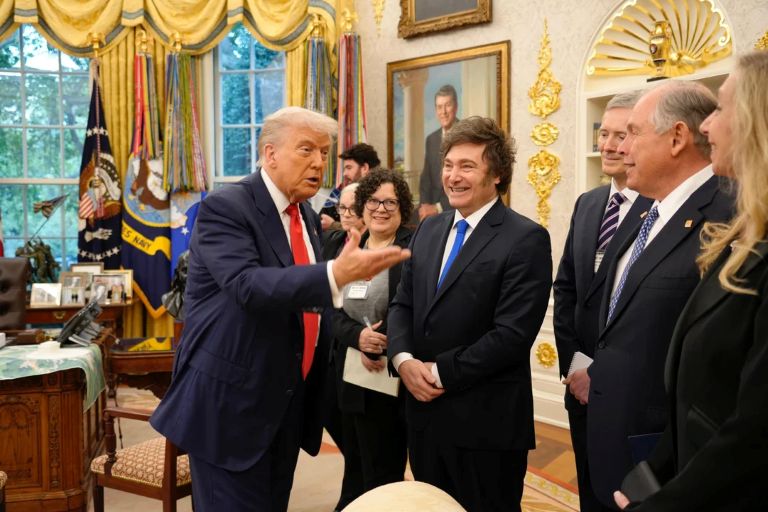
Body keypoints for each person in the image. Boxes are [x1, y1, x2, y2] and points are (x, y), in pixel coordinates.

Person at [149, 106, 410, 512]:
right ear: (269, 154)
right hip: (231, 409)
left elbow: (306, 304)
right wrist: (334, 274)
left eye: (324, 153)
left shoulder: (305, 214)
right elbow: (248, 285)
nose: (319, 162)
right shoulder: (226, 207)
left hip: (284, 407)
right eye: (306, 150)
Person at [614, 51, 768, 512]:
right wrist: (658, 472)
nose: (708, 125)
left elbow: (755, 430)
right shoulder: (745, 232)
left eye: (720, 108)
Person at [388, 116, 552, 511]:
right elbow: (402, 304)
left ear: (496, 174)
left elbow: (512, 335)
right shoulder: (428, 229)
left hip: (485, 425)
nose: (453, 177)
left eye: (467, 166)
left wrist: (438, 373)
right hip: (424, 417)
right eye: (448, 165)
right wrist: (403, 360)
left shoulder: (526, 238)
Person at [585, 81, 734, 509]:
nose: (619, 147)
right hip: (611, 437)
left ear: (676, 138)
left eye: (632, 132)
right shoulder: (645, 209)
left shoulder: (730, 217)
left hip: (668, 459)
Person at [553, 91, 653, 512]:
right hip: (579, 387)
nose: (609, 145)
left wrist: (600, 374)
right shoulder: (589, 202)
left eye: (622, 135)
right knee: (589, 494)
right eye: (603, 134)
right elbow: (566, 290)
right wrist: (577, 367)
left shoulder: (658, 208)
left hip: (628, 395)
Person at [333, 168, 413, 503]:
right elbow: (329, 309)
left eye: (390, 202)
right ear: (363, 206)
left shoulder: (412, 248)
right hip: (348, 373)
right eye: (374, 201)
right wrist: (358, 338)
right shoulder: (348, 247)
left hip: (389, 377)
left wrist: (380, 343)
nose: (381, 209)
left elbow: (414, 306)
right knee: (354, 461)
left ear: (402, 208)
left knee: (383, 469)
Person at [321, 182, 366, 511]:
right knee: (336, 424)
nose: (346, 215)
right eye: (343, 209)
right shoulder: (333, 240)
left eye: (353, 209)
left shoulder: (384, 244)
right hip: (329, 354)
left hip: (365, 360)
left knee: (365, 443)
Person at [418, 84, 458, 220]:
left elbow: (466, 183)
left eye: (448, 105)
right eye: (439, 107)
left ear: (456, 107)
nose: (443, 112)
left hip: (457, 211)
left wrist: (438, 208)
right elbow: (426, 179)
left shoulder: (467, 136)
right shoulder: (431, 139)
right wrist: (425, 206)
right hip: (432, 212)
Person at [320, 143, 381, 231]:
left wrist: (333, 225)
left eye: (349, 168)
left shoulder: (380, 194)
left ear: (364, 168)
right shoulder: (341, 191)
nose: (344, 174)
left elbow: (372, 229)